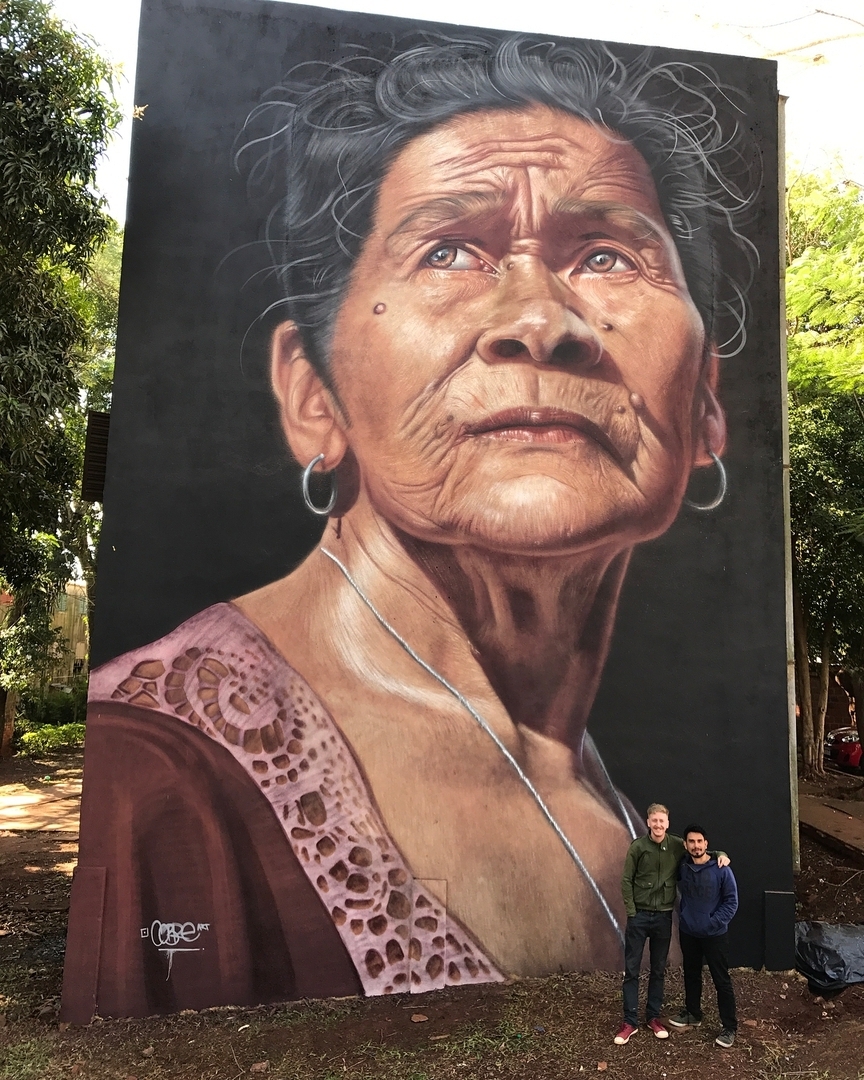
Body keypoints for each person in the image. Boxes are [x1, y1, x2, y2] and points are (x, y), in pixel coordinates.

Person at [62, 33, 754, 1021]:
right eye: (449, 251)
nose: (543, 322)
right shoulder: (156, 787)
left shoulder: (582, 771)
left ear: (706, 412)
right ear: (314, 394)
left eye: (608, 255)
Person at [615, 805, 729, 1045]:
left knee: (658, 970)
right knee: (632, 970)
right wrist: (632, 912)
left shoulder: (677, 844)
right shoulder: (638, 847)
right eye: (654, 821)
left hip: (663, 917)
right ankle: (629, 1022)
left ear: (668, 823)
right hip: (640, 917)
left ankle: (653, 1018)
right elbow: (626, 880)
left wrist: (720, 854)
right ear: (648, 822)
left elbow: (700, 850)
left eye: (662, 821)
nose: (658, 825)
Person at [668, 824, 739, 1048]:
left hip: (714, 935)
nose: (696, 846)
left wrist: (713, 922)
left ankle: (729, 1027)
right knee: (691, 974)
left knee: (721, 980)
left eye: (700, 842)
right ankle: (692, 1013)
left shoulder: (721, 869)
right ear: (685, 845)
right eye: (691, 842)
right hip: (689, 932)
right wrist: (689, 920)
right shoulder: (683, 866)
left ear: (706, 844)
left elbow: (732, 902)